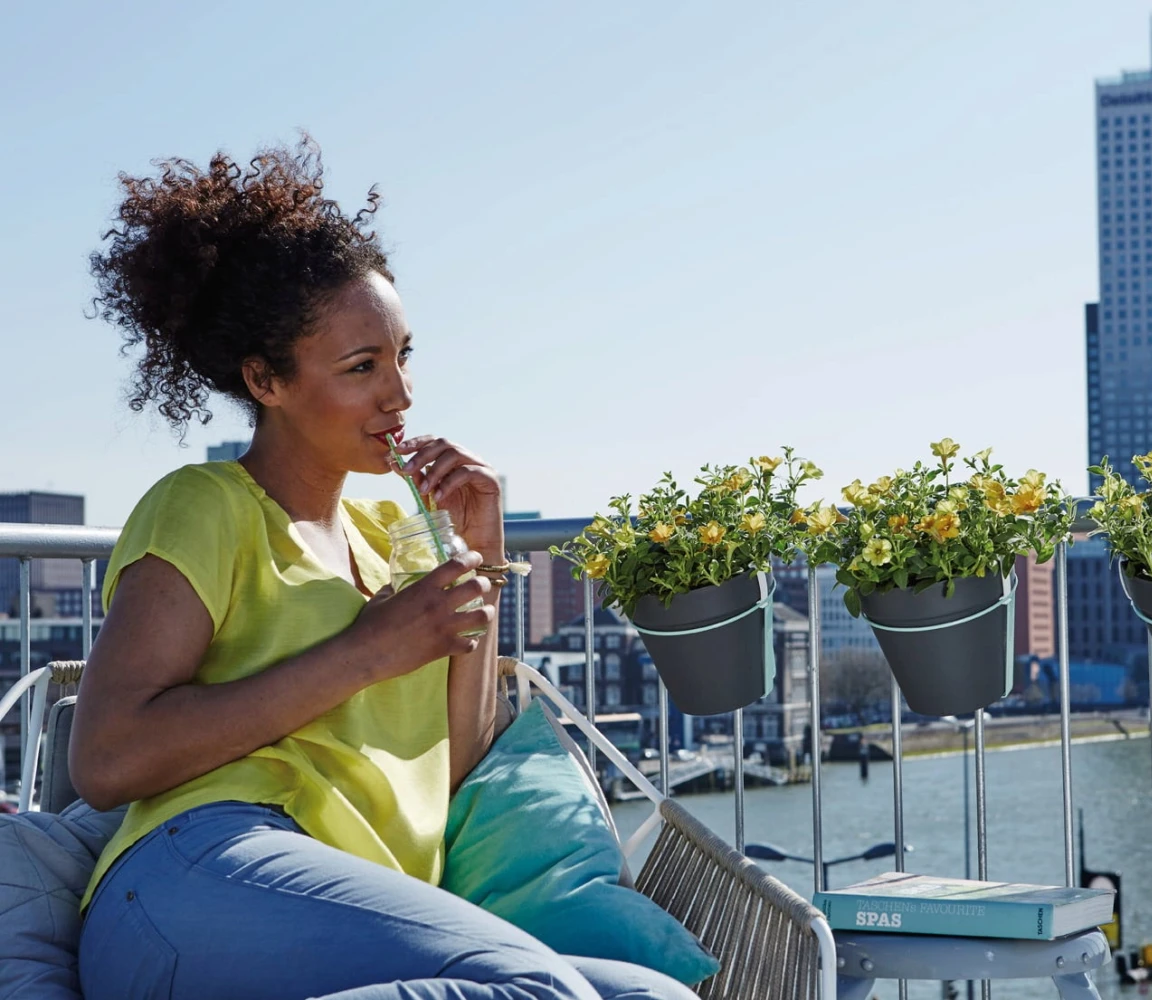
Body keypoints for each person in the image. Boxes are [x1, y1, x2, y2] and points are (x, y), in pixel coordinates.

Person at [72, 137, 696, 1000]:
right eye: (362, 367)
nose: (399, 395)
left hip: (366, 912)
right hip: (200, 875)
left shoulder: (394, 534)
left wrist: (480, 556)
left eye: (403, 357)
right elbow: (106, 759)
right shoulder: (207, 505)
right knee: (540, 988)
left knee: (653, 995)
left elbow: (457, 760)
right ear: (266, 380)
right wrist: (369, 650)